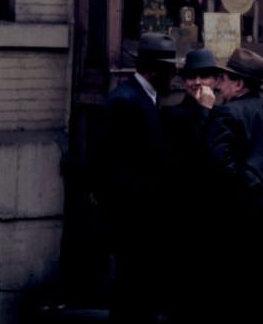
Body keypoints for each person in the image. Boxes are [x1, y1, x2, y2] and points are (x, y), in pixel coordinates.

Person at [203, 47, 263, 321]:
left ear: (239, 83)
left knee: (235, 303)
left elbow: (218, 168)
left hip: (239, 229)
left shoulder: (225, 115)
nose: (218, 85)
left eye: (224, 79)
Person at [97, 32, 178, 324]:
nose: (174, 77)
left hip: (145, 220)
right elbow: (107, 162)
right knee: (131, 293)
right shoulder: (126, 100)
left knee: (141, 292)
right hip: (132, 219)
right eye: (170, 70)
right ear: (154, 69)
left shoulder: (146, 97)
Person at [160, 47, 220, 324]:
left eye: (204, 77)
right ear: (184, 82)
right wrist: (204, 113)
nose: (198, 83)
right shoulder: (172, 116)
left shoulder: (223, 114)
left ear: (215, 81)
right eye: (192, 77)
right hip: (182, 216)